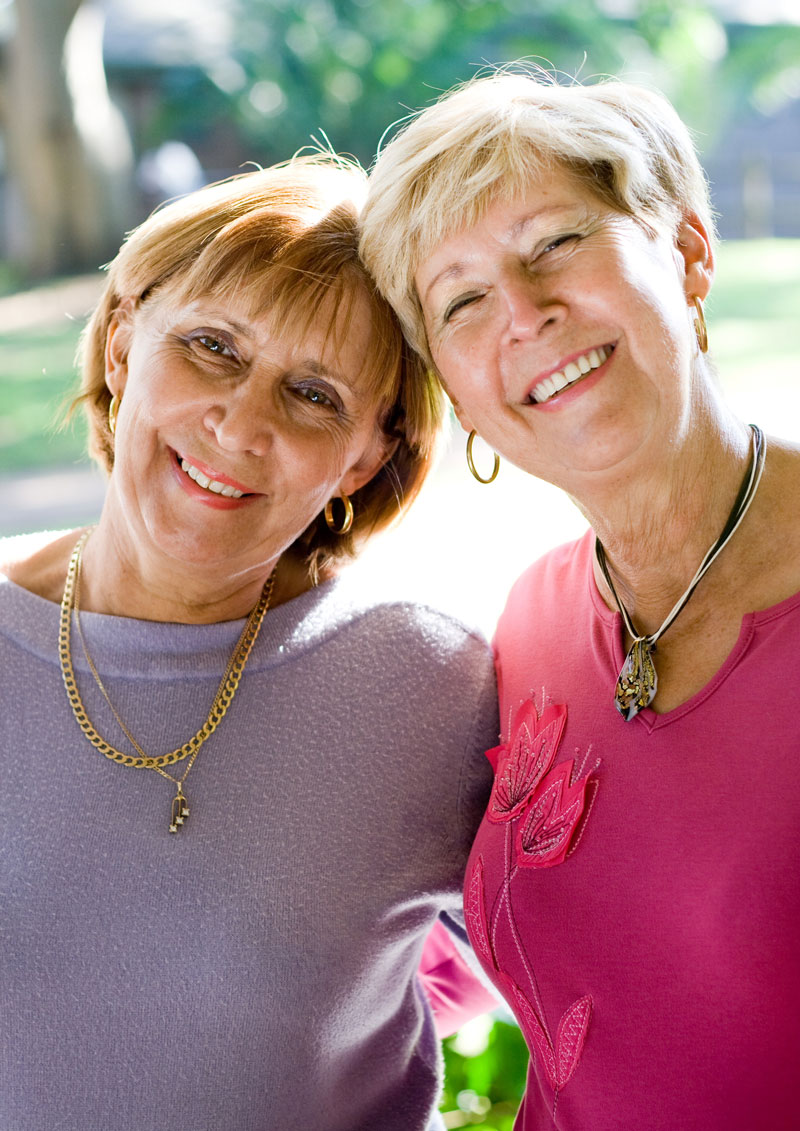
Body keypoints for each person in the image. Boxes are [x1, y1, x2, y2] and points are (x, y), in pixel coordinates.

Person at [0, 158, 500, 1131]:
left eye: (313, 393)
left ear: (367, 454)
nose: (240, 424)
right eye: (211, 346)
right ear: (122, 345)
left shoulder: (433, 684)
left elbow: (585, 980)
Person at [360, 72, 800, 1130]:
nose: (524, 314)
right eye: (461, 301)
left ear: (687, 253)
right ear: (455, 392)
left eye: (554, 242)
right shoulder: (532, 622)